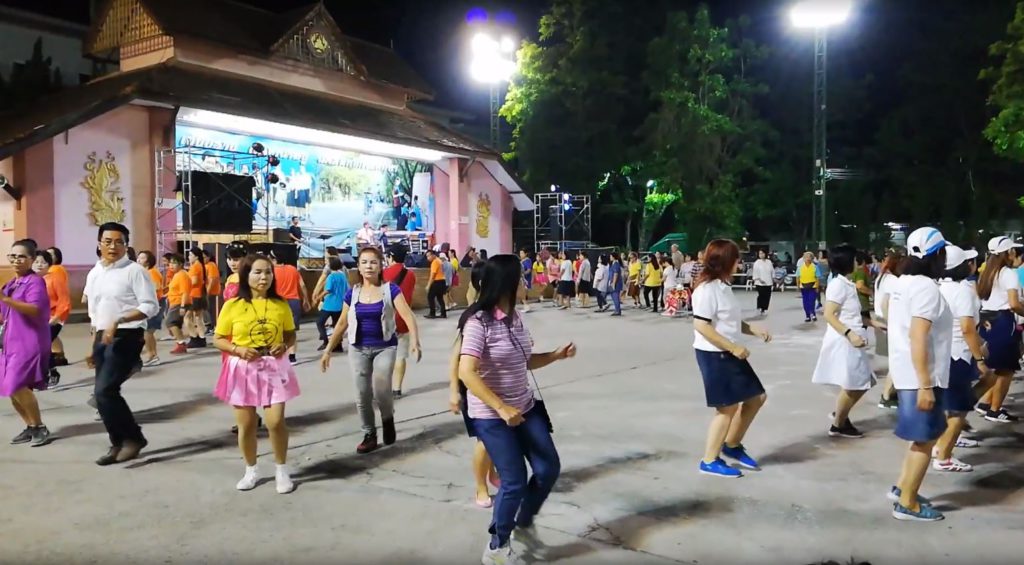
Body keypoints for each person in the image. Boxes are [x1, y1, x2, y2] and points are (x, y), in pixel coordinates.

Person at [457, 254, 576, 565]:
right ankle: (497, 544)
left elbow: (525, 361)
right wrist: (500, 406)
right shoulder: (477, 323)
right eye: (521, 278)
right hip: (492, 415)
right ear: (508, 283)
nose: (526, 282)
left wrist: (555, 355)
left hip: (524, 407)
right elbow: (466, 371)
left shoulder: (516, 319)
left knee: (548, 468)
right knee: (513, 481)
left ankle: (523, 519)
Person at [320, 247, 421, 454]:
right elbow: (341, 324)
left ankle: (387, 419)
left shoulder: (390, 290)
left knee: (382, 389)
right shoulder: (353, 293)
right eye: (364, 262)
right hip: (358, 349)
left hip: (385, 347)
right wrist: (328, 350)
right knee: (362, 394)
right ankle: (369, 434)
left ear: (380, 265)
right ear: (358, 266)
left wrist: (414, 342)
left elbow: (409, 316)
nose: (369, 266)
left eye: (373, 262)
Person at [213, 255, 299, 494]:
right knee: (247, 424)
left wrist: (284, 344)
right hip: (243, 368)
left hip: (273, 367)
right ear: (246, 276)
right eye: (258, 272)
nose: (264, 277)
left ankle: (281, 469)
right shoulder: (233, 305)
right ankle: (251, 469)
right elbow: (218, 339)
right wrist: (237, 349)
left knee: (275, 421)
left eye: (268, 272)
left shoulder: (281, 304)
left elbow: (290, 333)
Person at [885, 227, 952, 521]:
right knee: (925, 441)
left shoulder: (903, 282)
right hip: (919, 376)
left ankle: (903, 489)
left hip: (906, 371)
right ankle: (907, 504)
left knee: (920, 439)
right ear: (938, 254)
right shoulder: (925, 287)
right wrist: (925, 385)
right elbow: (918, 336)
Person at [692, 239, 772, 478]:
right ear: (726, 261)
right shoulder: (707, 289)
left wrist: (753, 330)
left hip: (727, 351)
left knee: (756, 397)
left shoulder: (723, 286)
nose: (740, 263)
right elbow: (702, 326)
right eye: (737, 258)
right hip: (715, 354)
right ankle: (709, 460)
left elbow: (728, 321)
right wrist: (733, 347)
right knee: (727, 408)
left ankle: (732, 445)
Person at [85, 222, 160, 465]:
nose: (113, 246)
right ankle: (117, 443)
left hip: (127, 336)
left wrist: (120, 318)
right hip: (102, 337)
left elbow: (150, 306)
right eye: (108, 241)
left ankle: (133, 439)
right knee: (103, 395)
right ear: (99, 244)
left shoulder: (135, 271)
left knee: (104, 391)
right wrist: (92, 346)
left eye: (119, 242)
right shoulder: (95, 272)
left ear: (126, 245)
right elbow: (95, 313)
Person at [449, 261, 501, 508]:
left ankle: (492, 474)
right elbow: (456, 356)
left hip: (496, 386)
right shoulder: (472, 317)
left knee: (497, 437)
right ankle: (480, 486)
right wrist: (453, 390)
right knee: (486, 440)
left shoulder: (501, 312)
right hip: (474, 388)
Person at [811, 245, 874, 438]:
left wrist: (876, 324)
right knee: (856, 383)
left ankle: (841, 415)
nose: (858, 263)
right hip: (846, 341)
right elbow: (829, 315)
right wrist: (850, 334)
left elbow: (851, 314)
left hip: (854, 339)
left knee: (862, 381)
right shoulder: (838, 285)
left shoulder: (847, 283)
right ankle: (838, 423)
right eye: (855, 260)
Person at [935, 245, 986, 472]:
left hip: (940, 353)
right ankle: (944, 457)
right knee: (958, 409)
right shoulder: (961, 291)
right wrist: (980, 357)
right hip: (958, 355)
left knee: (949, 406)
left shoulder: (937, 288)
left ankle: (944, 443)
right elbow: (967, 328)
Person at [3, 240, 53, 447]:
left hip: (30, 342)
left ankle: (40, 427)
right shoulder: (11, 284)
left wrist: (6, 300)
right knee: (10, 388)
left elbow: (35, 310)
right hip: (10, 342)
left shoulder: (34, 282)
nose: (16, 260)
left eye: (21, 256)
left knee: (17, 384)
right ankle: (30, 426)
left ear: (32, 259)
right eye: (12, 256)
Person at [975, 236, 1024, 423]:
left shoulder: (987, 272)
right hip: (1003, 321)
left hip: (987, 320)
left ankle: (987, 403)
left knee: (995, 366)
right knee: (1007, 369)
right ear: (1008, 252)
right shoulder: (1008, 273)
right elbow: (1013, 303)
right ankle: (995, 409)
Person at [875, 249, 907, 410]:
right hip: (888, 322)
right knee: (897, 360)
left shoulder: (882, 277)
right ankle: (886, 396)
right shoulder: (893, 280)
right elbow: (885, 303)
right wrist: (892, 323)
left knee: (895, 360)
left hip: (883, 320)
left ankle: (889, 394)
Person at [384, 245, 417, 397]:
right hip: (403, 320)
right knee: (400, 356)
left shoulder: (383, 274)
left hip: (385, 320)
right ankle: (397, 388)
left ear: (390, 256)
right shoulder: (410, 275)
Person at [32, 250, 69, 386]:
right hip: (36, 319)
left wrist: (55, 318)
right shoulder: (29, 279)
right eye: (36, 262)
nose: (40, 265)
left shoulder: (55, 278)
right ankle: (51, 370)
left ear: (49, 264)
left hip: (54, 319)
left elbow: (64, 301)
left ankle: (44, 374)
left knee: (41, 346)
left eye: (43, 262)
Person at [271, 251, 310, 363]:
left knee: (276, 329)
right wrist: (306, 300)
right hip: (294, 301)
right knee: (291, 330)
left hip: (278, 302)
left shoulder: (271, 271)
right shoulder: (293, 269)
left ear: (274, 259)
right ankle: (292, 356)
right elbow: (302, 285)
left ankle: (277, 354)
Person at [314, 257, 349, 352]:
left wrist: (319, 296)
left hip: (329, 304)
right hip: (340, 304)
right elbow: (347, 289)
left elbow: (328, 290)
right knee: (337, 325)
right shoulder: (343, 276)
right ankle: (338, 345)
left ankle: (325, 341)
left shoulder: (331, 277)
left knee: (320, 322)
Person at [44, 247, 70, 368]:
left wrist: (57, 316)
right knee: (48, 338)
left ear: (57, 257)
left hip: (55, 312)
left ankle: (50, 368)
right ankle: (58, 356)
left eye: (51, 254)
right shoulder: (47, 271)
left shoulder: (56, 270)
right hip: (47, 312)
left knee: (43, 341)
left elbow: (63, 296)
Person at [136, 251, 163, 367]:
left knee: (148, 331)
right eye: (138, 257)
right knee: (147, 332)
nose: (138, 260)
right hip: (148, 305)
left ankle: (153, 356)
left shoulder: (152, 273)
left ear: (148, 261)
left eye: (142, 258)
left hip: (153, 305)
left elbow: (156, 289)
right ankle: (152, 355)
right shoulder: (145, 272)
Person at [165, 254, 192, 355]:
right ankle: (179, 343)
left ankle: (181, 343)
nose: (171, 265)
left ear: (180, 264)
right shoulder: (176, 275)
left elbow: (185, 292)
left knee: (170, 322)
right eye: (170, 263)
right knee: (176, 324)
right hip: (173, 302)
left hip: (179, 302)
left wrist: (182, 306)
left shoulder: (182, 275)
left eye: (174, 263)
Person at [185, 248, 209, 349]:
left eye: (191, 255)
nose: (189, 257)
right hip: (199, 294)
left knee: (187, 318)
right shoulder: (200, 266)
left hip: (194, 294)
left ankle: (194, 337)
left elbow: (194, 281)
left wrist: (186, 281)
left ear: (196, 256)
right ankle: (201, 337)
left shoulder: (195, 267)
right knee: (198, 318)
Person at [850, 251, 874, 328]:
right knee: (863, 329)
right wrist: (872, 293)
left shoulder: (852, 272)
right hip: (862, 305)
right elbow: (860, 286)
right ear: (863, 261)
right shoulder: (861, 272)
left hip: (855, 304)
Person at [426, 249, 447, 319]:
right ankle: (443, 313)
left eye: (428, 256)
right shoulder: (439, 261)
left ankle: (432, 313)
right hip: (442, 281)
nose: (428, 258)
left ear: (433, 255)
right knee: (440, 298)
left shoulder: (434, 262)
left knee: (430, 297)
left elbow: (433, 275)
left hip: (437, 282)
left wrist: (428, 285)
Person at [752, 249, 774, 316]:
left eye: (762, 253)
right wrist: (759, 279)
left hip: (768, 281)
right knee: (761, 295)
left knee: (767, 296)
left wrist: (773, 278)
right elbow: (755, 272)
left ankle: (764, 308)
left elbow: (772, 271)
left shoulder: (769, 262)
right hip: (760, 282)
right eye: (760, 253)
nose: (761, 255)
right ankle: (759, 307)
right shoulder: (757, 262)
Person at [798, 252, 819, 322]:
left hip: (813, 286)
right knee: (805, 302)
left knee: (812, 301)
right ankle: (807, 315)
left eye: (809, 257)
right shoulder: (800, 267)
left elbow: (817, 277)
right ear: (803, 258)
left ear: (812, 258)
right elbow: (798, 277)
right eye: (806, 257)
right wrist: (798, 286)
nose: (807, 258)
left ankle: (813, 314)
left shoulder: (815, 267)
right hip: (803, 286)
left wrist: (817, 287)